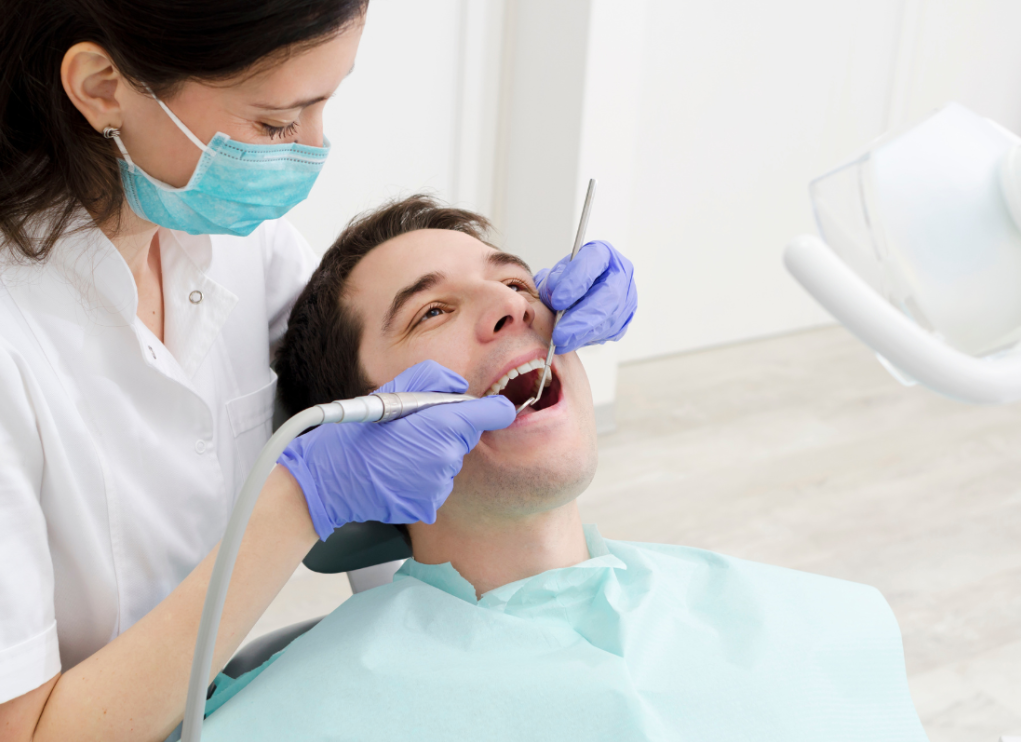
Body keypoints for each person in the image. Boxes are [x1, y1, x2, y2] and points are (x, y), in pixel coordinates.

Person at [0, 5, 637, 741]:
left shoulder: (244, 243)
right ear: (102, 86)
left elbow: (350, 369)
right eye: (275, 123)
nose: (313, 146)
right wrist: (303, 499)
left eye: (516, 283)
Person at [199, 196, 927, 741]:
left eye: (518, 284)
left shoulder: (820, 625)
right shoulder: (291, 719)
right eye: (432, 312)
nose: (511, 308)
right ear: (362, 424)